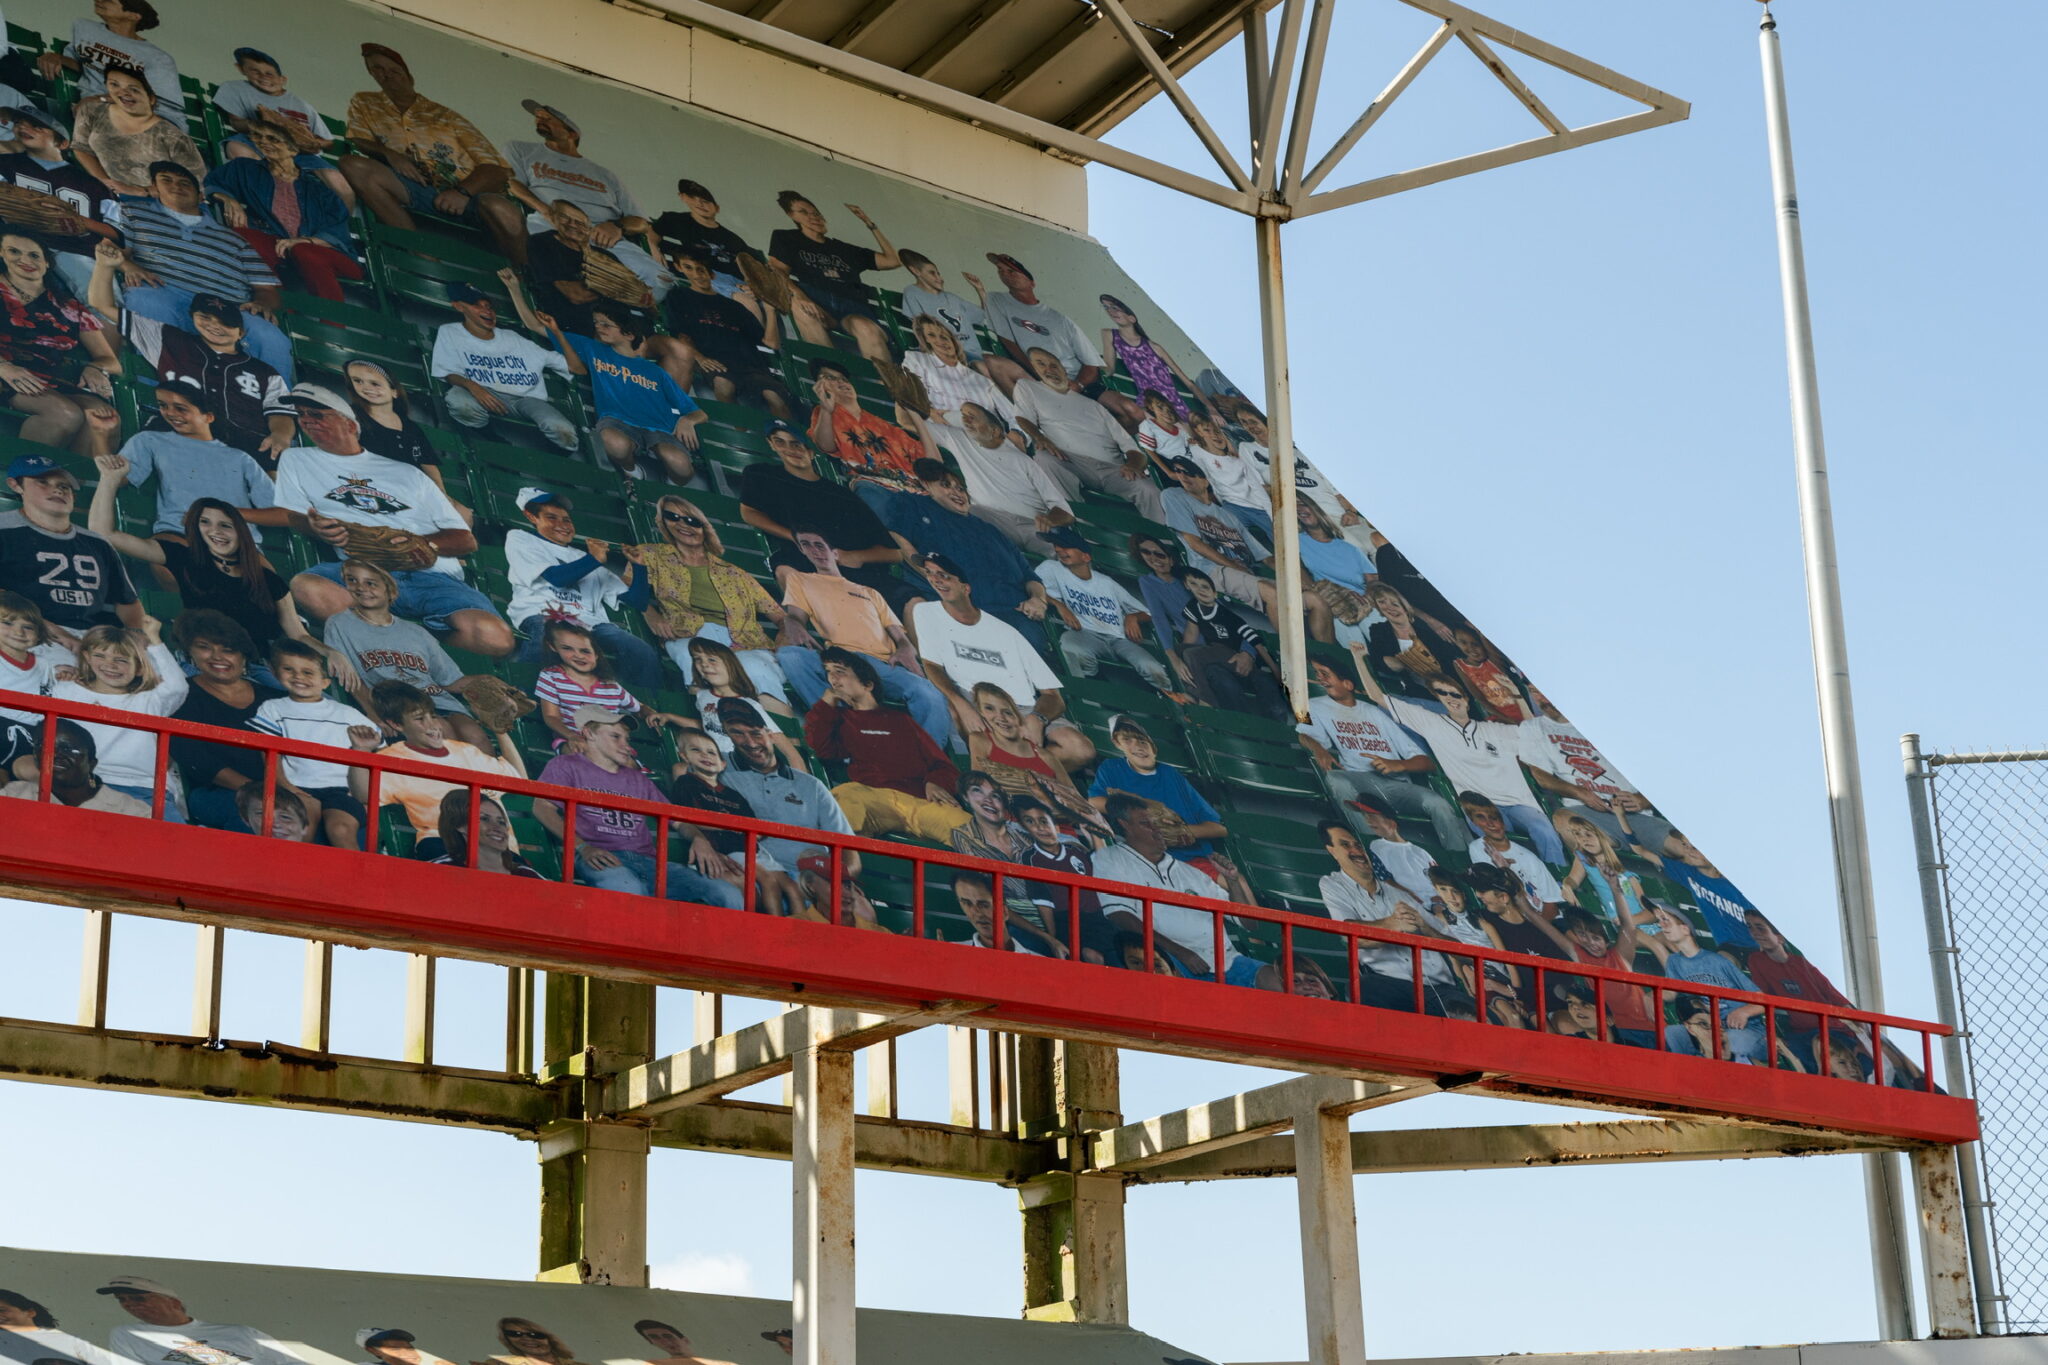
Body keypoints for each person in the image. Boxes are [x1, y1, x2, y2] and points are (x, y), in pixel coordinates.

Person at [276, 382, 514, 659]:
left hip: (432, 578)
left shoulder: (407, 473)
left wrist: (417, 545)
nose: (307, 420)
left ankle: (411, 646)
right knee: (307, 587)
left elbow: (465, 540)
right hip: (362, 572)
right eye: (301, 415)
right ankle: (391, 651)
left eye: (317, 415)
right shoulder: (297, 459)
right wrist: (316, 528)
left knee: (496, 638)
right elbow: (294, 515)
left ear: (350, 425)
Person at [86, 485, 334, 687]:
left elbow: (297, 633)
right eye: (205, 522)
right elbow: (104, 533)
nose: (216, 531)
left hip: (254, 669)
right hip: (203, 664)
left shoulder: (268, 580)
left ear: (240, 532)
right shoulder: (184, 558)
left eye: (225, 525)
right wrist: (110, 478)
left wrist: (330, 652)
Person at [1353, 655, 1566, 866]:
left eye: (1455, 694)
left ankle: (1560, 878)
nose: (1450, 698)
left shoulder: (1494, 730)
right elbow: (1377, 697)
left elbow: (1534, 733)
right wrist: (1359, 657)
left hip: (1517, 801)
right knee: (1501, 843)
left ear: (1466, 699)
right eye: (1442, 693)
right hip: (1478, 805)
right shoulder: (1432, 723)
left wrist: (1518, 696)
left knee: (1544, 830)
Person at [532, 704, 744, 906]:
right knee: (627, 888)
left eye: (627, 738)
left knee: (727, 894)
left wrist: (699, 839)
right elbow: (542, 807)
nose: (626, 745)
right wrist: (583, 847)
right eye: (615, 737)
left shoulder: (638, 779)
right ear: (589, 734)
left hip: (648, 863)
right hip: (601, 857)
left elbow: (678, 821)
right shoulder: (566, 765)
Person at [104, 161, 297, 381]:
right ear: (154, 189)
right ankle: (156, 391)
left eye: (184, 183)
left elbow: (266, 289)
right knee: (145, 300)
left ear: (200, 196)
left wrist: (262, 304)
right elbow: (109, 247)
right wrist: (128, 265)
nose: (176, 186)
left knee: (269, 336)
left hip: (228, 307)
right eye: (166, 180)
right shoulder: (132, 212)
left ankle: (280, 401)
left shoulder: (235, 240)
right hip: (166, 293)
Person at [339, 43, 525, 263]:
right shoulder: (365, 102)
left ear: (409, 77)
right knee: (353, 165)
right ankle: (421, 254)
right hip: (417, 190)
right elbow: (357, 138)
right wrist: (391, 155)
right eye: (377, 69)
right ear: (371, 73)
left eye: (394, 70)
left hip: (468, 199)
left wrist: (462, 192)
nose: (386, 75)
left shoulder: (445, 116)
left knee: (502, 209)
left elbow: (496, 169)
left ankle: (522, 275)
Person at [909, 551, 1091, 769]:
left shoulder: (1006, 632)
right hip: (975, 702)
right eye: (930, 573)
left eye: (944, 575)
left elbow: (1053, 696)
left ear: (966, 588)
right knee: (974, 730)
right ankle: (1022, 776)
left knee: (1080, 749)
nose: (935, 579)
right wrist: (961, 705)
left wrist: (1036, 719)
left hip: (1022, 708)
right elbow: (931, 665)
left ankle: (1021, 777)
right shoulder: (926, 612)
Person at [777, 527, 953, 748]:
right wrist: (792, 624)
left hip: (882, 665)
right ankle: (843, 732)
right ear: (802, 551)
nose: (815, 551)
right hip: (842, 659)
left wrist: (905, 648)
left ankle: (928, 757)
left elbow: (901, 638)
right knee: (791, 655)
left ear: (835, 553)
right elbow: (795, 617)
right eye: (806, 545)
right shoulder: (801, 580)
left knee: (929, 694)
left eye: (819, 545)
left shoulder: (870, 593)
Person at [96, 281, 294, 469]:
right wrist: (105, 265)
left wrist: (281, 434)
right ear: (192, 318)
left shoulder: (264, 371)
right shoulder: (170, 339)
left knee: (273, 458)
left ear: (241, 332)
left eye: (225, 323)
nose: (215, 326)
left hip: (243, 442)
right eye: (205, 318)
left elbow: (280, 411)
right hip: (180, 431)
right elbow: (102, 305)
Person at [623, 491, 800, 699]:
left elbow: (781, 617)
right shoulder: (651, 554)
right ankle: (713, 712)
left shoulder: (735, 573)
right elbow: (627, 584)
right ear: (663, 521)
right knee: (697, 661)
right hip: (690, 634)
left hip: (744, 640)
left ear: (704, 528)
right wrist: (650, 614)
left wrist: (782, 641)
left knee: (756, 669)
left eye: (692, 521)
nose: (683, 524)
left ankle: (775, 717)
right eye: (672, 517)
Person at [516, 293, 703, 482]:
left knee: (681, 468)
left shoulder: (655, 371)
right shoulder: (594, 349)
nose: (598, 327)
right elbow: (535, 326)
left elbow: (697, 412)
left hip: (658, 428)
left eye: (606, 324)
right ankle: (632, 472)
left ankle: (668, 479)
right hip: (617, 421)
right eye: (596, 323)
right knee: (614, 443)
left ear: (629, 335)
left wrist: (687, 421)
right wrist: (514, 287)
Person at [801, 646, 969, 844]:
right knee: (842, 798)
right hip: (873, 798)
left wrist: (935, 783)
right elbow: (820, 746)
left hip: (918, 800)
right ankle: (854, 861)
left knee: (967, 826)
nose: (832, 678)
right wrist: (826, 702)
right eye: (828, 672)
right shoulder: (839, 719)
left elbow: (941, 764)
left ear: (867, 684)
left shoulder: (901, 720)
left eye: (840, 671)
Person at [1297, 655, 1466, 851]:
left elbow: (1427, 762)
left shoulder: (1374, 712)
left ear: (1347, 684)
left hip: (1396, 784)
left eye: (1325, 674)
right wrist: (1318, 748)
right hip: (1360, 780)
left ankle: (1459, 858)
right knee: (1336, 779)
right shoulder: (1314, 705)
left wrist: (1398, 765)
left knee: (1438, 803)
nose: (1320, 678)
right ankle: (1371, 848)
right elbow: (1303, 734)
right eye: (1317, 674)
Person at [740, 419, 911, 612]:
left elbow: (895, 553)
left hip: (854, 569)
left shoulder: (840, 494)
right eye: (780, 442)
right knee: (787, 571)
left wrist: (853, 556)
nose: (789, 449)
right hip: (806, 561)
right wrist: (794, 537)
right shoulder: (762, 474)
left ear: (811, 452)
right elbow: (749, 513)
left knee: (912, 601)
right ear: (771, 444)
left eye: (796, 444)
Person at [1094, 795, 1267, 986]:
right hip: (1169, 960)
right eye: (1146, 824)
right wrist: (1180, 952)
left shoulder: (1191, 873)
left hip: (1227, 961)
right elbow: (1119, 915)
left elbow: (1249, 923)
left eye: (1158, 824)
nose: (1157, 829)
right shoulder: (1110, 858)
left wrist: (1232, 881)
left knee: (1280, 981)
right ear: (1125, 825)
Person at [323, 564, 498, 749]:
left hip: (437, 699)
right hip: (399, 704)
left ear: (390, 590)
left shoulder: (416, 632)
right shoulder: (340, 623)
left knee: (476, 735)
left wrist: (488, 682)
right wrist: (372, 711)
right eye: (352, 581)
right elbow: (351, 677)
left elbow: (448, 680)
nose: (361, 588)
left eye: (371, 583)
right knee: (443, 731)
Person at [504, 485, 660, 691]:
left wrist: (639, 566)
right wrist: (594, 559)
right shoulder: (520, 538)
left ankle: (640, 704)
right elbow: (556, 578)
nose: (562, 525)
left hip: (589, 623)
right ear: (531, 517)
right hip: (543, 613)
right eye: (551, 518)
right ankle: (522, 696)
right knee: (545, 636)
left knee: (641, 650)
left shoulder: (582, 556)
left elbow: (637, 602)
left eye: (566, 520)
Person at [503, 100, 665, 294]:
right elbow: (512, 183)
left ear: (572, 133)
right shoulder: (521, 149)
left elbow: (641, 222)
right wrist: (547, 211)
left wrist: (617, 226)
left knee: (659, 279)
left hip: (602, 235)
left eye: (548, 118)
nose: (539, 120)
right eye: (538, 117)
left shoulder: (605, 175)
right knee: (558, 265)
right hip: (551, 225)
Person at [1318, 820, 1475, 1017]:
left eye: (1358, 845)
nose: (1356, 850)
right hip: (1388, 986)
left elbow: (1464, 953)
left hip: (1440, 989)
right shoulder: (1332, 884)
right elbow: (1351, 935)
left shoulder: (1399, 894)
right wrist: (1394, 924)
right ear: (1332, 851)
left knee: (1477, 1017)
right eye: (1345, 844)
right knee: (1363, 988)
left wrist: (1425, 928)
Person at [348, 681, 525, 856]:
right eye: (419, 719)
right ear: (396, 725)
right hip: (447, 849)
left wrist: (500, 732)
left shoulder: (466, 751)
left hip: (503, 856)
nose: (433, 725)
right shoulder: (394, 759)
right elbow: (363, 795)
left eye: (433, 716)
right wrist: (361, 750)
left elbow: (519, 781)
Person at [1086, 716, 1251, 899]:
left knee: (1239, 883)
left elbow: (1219, 828)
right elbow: (1093, 802)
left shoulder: (1170, 774)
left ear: (1154, 748)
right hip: (1146, 860)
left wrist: (1181, 832)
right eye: (1127, 739)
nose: (1138, 746)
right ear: (1117, 743)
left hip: (1189, 859)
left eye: (1142, 740)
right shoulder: (1112, 768)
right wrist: (1141, 808)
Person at [202, 119, 365, 302]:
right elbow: (211, 183)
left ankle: (331, 316)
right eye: (258, 137)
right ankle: (278, 306)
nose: (263, 142)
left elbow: (337, 231)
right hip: (278, 244)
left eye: (273, 139)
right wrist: (227, 199)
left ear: (293, 150)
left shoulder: (319, 191)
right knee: (243, 237)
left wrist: (302, 241)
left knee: (303, 251)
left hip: (322, 251)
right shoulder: (246, 168)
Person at [878, 459, 1044, 637]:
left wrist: (1038, 600)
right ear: (926, 485)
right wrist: (928, 574)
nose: (956, 492)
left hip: (1016, 616)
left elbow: (1030, 577)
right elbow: (897, 537)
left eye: (960, 488)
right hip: (964, 613)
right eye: (945, 485)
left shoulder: (990, 530)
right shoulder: (914, 504)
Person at [98, 380, 281, 540]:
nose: (170, 413)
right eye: (163, 405)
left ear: (208, 416)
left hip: (237, 540)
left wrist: (226, 513)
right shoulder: (149, 440)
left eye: (181, 408)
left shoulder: (240, 458)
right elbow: (119, 477)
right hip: (179, 533)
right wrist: (104, 441)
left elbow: (283, 514)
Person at [50, 615, 186, 815]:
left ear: (139, 668)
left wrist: (155, 641)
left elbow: (178, 687)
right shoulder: (67, 691)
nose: (110, 665)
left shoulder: (149, 700)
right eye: (100, 656)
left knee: (172, 835)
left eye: (121, 660)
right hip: (87, 783)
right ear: (87, 657)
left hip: (146, 787)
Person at [0, 228, 120, 455]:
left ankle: (70, 477)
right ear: (2, 254)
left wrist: (96, 368)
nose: (25, 260)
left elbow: (110, 360)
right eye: (14, 251)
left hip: (46, 381)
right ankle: (23, 475)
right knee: (64, 414)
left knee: (102, 416)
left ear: (47, 263)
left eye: (34, 255)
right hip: (5, 373)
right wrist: (3, 366)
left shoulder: (69, 307)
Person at [1008, 346, 1163, 520]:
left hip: (1112, 469)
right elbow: (1023, 418)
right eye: (1041, 364)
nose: (1049, 370)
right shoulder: (1028, 387)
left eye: (1054, 365)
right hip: (1071, 462)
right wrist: (1040, 437)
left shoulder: (1094, 405)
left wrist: (1133, 465)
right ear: (1034, 368)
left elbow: (1134, 450)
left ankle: (1164, 536)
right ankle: (1076, 519)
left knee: (1148, 489)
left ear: (1064, 370)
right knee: (1044, 458)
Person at [0, 452, 138, 646]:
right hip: (26, 635)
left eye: (64, 486)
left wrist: (137, 635)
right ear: (15, 485)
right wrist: (54, 632)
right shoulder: (4, 530)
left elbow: (128, 602)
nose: (57, 490)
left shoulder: (97, 542)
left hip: (94, 641)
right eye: (42, 482)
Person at [718, 699, 857, 883]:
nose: (751, 743)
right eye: (738, 733)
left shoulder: (811, 785)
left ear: (770, 735)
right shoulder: (718, 768)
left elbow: (849, 851)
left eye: (756, 733)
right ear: (726, 734)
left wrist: (838, 881)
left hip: (812, 880)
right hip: (757, 877)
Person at [253, 638, 374, 848]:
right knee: (302, 827)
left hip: (342, 790)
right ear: (274, 672)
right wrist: (286, 786)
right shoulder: (272, 708)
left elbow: (376, 750)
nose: (298, 677)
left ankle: (354, 871)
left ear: (325, 682)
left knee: (341, 829)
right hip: (298, 787)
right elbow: (269, 753)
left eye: (308, 672)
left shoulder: (347, 713)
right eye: (288, 669)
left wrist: (362, 793)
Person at [1520, 688, 1672, 856]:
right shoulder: (1533, 727)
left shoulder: (1612, 724)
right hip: (1586, 814)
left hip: (1637, 814)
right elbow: (1541, 776)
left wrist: (1643, 799)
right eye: (1534, 691)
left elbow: (1660, 773)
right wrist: (1580, 793)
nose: (1543, 698)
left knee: (1683, 850)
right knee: (1565, 822)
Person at [429, 282, 576, 453]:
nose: (487, 311)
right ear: (458, 306)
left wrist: (558, 334)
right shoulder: (450, 331)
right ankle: (491, 438)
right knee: (459, 401)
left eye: (489, 306)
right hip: (484, 392)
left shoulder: (512, 337)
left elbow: (569, 365)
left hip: (525, 400)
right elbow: (448, 372)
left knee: (564, 432)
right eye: (476, 305)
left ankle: (554, 460)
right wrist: (473, 386)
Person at [165, 609, 279, 831]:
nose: (217, 657)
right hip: (216, 793)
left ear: (244, 656)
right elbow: (194, 757)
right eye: (204, 647)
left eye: (228, 650)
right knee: (256, 815)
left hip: (279, 791)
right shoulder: (182, 696)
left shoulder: (273, 698)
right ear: (190, 652)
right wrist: (259, 792)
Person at [668, 728, 802, 915]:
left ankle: (798, 929)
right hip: (729, 849)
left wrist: (755, 833)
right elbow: (687, 817)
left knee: (792, 888)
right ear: (684, 756)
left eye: (711, 752)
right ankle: (774, 927)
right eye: (696, 750)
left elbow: (753, 824)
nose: (705, 755)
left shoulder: (734, 794)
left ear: (722, 764)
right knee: (768, 881)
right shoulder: (686, 783)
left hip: (754, 849)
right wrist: (729, 825)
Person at [0, 104, 124, 299]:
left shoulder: (93, 184)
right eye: (18, 123)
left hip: (76, 250)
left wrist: (79, 221)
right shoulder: (6, 164)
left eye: (37, 126)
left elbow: (118, 232)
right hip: (21, 242)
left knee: (102, 298)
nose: (24, 127)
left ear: (63, 143)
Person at [1033, 527, 1176, 694]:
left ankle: (1171, 701)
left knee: (1153, 668)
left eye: (1066, 546)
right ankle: (1094, 693)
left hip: (1118, 640)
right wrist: (1060, 605)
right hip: (1084, 634)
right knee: (1072, 649)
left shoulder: (1106, 582)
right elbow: (1033, 587)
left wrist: (1132, 617)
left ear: (1086, 556)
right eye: (1057, 546)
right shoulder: (1052, 568)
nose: (1059, 549)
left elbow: (1148, 613)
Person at [920, 401, 1076, 554]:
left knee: (1063, 554)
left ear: (994, 431)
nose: (966, 420)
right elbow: (912, 424)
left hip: (1030, 526)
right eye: (963, 415)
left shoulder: (1023, 461)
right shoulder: (957, 438)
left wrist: (1050, 519)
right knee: (967, 513)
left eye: (972, 417)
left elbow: (1065, 512)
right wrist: (922, 408)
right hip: (990, 522)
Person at [1159, 457, 1295, 628]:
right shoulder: (1174, 495)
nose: (1183, 476)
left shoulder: (1229, 516)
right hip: (1212, 571)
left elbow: (1266, 557)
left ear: (1206, 480)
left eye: (1190, 473)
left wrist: (1298, 579)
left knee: (1311, 599)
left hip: (1244, 574)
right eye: (1178, 472)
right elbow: (1195, 544)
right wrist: (1234, 566)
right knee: (1273, 594)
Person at [766, 192, 899, 364]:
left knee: (866, 328)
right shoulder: (787, 238)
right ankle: (832, 371)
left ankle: (885, 379)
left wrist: (870, 224)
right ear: (792, 215)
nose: (813, 217)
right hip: (817, 302)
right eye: (803, 212)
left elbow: (892, 260)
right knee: (799, 306)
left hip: (851, 306)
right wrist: (800, 295)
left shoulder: (843, 249)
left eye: (816, 213)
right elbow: (777, 270)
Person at [211, 46, 352, 205]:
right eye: (255, 71)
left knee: (338, 181)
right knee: (237, 147)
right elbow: (236, 122)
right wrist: (263, 124)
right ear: (241, 69)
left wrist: (312, 143)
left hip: (300, 153)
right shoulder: (235, 88)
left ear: (282, 79)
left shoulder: (301, 104)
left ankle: (342, 220)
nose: (263, 77)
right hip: (260, 143)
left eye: (269, 73)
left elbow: (328, 142)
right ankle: (268, 205)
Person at [1634, 901, 1770, 1063]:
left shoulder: (1717, 961)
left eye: (1666, 920)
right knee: (1673, 1033)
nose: (1661, 925)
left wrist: (1744, 1012)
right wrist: (1651, 996)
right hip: (1709, 1030)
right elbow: (1672, 991)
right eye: (1659, 921)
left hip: (1745, 1030)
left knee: (1727, 1040)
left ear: (1685, 929)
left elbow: (1762, 1000)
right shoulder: (1674, 962)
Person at [964, 682, 1105, 836]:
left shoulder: (1044, 755)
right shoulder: (980, 740)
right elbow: (977, 788)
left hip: (1057, 831)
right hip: (1011, 829)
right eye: (989, 708)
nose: (1000, 717)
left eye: (1007, 712)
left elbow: (1077, 803)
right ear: (980, 712)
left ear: (1018, 717)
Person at [663, 248, 790, 418]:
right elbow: (681, 334)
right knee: (723, 384)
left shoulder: (735, 306)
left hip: (749, 365)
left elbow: (771, 344)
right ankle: (739, 431)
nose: (697, 274)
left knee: (775, 397)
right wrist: (700, 358)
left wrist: (770, 311)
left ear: (711, 274)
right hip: (714, 361)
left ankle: (788, 432)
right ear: (679, 268)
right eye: (688, 268)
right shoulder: (679, 296)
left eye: (701, 269)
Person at [534, 618, 684, 750]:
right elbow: (551, 716)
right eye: (567, 648)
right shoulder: (551, 676)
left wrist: (650, 714)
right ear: (553, 647)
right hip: (573, 742)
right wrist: (572, 736)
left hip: (609, 746)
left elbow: (639, 708)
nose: (578, 656)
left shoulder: (610, 686)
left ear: (596, 655)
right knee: (577, 751)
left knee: (627, 762)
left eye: (585, 651)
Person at [96, 1274, 309, 1365]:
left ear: (173, 1302)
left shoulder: (242, 1333)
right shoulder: (126, 1334)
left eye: (139, 1298)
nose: (129, 1304)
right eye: (122, 1300)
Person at [521, 198, 657, 336]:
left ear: (588, 229)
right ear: (553, 218)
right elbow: (576, 295)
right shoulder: (542, 242)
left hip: (621, 329)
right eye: (564, 217)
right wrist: (619, 288)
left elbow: (644, 302)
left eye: (580, 223)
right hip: (580, 327)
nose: (572, 225)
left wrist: (644, 299)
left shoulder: (603, 255)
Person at [40, 0, 184, 125]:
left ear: (133, 16)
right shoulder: (88, 31)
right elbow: (85, 66)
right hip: (96, 114)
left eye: (109, 0)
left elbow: (160, 103)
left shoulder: (157, 57)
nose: (99, 0)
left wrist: (102, 99)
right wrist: (57, 58)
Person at [343, 360, 463, 508]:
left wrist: (441, 493)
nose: (366, 388)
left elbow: (428, 463)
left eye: (375, 384)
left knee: (463, 512)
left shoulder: (410, 426)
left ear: (395, 391)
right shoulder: (353, 420)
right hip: (379, 492)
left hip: (415, 490)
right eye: (358, 381)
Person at [895, 250, 1023, 388]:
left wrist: (979, 289)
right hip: (951, 355)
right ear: (916, 271)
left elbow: (983, 315)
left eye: (938, 273)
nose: (939, 278)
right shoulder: (913, 292)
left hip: (974, 354)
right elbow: (920, 326)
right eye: (932, 273)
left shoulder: (952, 298)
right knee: (988, 371)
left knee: (1011, 371)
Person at [1009, 792, 1114, 960]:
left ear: (1055, 824)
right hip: (1067, 920)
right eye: (1030, 821)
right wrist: (1054, 939)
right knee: (1090, 955)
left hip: (1098, 917)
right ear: (1024, 827)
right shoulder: (1031, 857)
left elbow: (1101, 867)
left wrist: (1094, 833)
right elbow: (1043, 901)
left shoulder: (1076, 850)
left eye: (1044, 821)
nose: (1039, 827)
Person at [981, 253, 1102, 396]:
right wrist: (1039, 375)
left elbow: (1091, 363)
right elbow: (1007, 341)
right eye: (1000, 270)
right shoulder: (996, 299)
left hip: (1071, 382)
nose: (1005, 274)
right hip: (1034, 377)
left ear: (1031, 283)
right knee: (988, 362)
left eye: (1012, 271)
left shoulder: (1061, 320)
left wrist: (1078, 385)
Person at [1463, 861, 1575, 1015]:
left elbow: (1559, 987)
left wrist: (1511, 992)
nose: (1478, 895)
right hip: (1507, 999)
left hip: (1545, 1006)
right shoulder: (1483, 918)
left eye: (1482, 890)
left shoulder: (1536, 933)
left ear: (1504, 898)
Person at [1175, 565, 1286, 718]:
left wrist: (1275, 670)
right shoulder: (1193, 606)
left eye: (1205, 587)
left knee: (1191, 654)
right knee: (1182, 651)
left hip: (1231, 654)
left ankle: (1207, 701)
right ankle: (1194, 694)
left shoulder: (1227, 615)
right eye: (1194, 584)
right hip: (1217, 656)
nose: (1201, 590)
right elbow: (1190, 636)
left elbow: (1255, 641)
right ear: (1187, 585)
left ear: (1215, 593)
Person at [70, 67, 201, 197]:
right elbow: (81, 148)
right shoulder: (92, 111)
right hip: (104, 193)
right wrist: (108, 185)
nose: (123, 92)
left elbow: (195, 188)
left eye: (134, 89)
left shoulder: (172, 136)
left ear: (151, 99)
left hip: (152, 201)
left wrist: (141, 191)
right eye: (114, 85)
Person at [1741, 907, 1854, 1055]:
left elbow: (1833, 995)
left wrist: (1861, 1030)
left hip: (1831, 1030)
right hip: (1800, 1032)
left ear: (1780, 938)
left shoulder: (1802, 964)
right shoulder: (1757, 961)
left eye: (1761, 928)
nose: (1755, 933)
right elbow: (1762, 993)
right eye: (1750, 927)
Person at [803, 357, 924, 491]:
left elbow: (920, 454)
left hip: (909, 488)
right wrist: (826, 410)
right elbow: (826, 446)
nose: (841, 382)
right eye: (830, 378)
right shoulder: (824, 414)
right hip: (871, 486)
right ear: (819, 385)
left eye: (844, 379)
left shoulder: (880, 424)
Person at [1641, 824, 1760, 953]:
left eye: (1694, 847)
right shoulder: (1690, 873)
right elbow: (1640, 851)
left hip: (1757, 946)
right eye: (1685, 845)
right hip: (1728, 947)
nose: (1689, 851)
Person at [0, 717, 148, 815]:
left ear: (91, 763)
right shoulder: (14, 794)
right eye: (45, 747)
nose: (55, 755)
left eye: (67, 749)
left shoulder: (130, 809)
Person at [1557, 907, 1659, 1049]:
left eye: (1596, 938)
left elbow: (1627, 924)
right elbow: (1556, 933)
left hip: (1651, 1025)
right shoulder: (1582, 958)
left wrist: (1616, 891)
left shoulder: (1618, 956)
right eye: (1582, 935)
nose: (1591, 943)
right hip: (1622, 1029)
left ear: (1606, 941)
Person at [680, 636, 797, 760]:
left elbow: (787, 748)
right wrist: (670, 717)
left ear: (730, 667)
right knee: (680, 767)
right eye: (698, 659)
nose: (704, 664)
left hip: (743, 761)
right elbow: (705, 724)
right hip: (717, 759)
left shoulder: (748, 705)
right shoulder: (702, 696)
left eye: (712, 660)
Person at [650, 178, 762, 303]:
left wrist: (751, 287)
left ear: (717, 208)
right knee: (747, 301)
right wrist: (653, 247)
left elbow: (750, 267)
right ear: (683, 197)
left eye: (706, 201)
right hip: (706, 278)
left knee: (763, 302)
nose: (700, 204)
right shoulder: (677, 220)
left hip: (737, 283)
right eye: (693, 197)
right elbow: (650, 231)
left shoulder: (731, 238)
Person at [899, 313, 1015, 430]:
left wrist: (1017, 432)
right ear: (925, 340)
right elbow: (908, 394)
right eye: (932, 335)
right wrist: (930, 412)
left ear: (953, 340)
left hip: (991, 432)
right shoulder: (918, 360)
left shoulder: (981, 380)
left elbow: (1013, 415)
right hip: (949, 426)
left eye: (944, 336)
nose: (941, 341)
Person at [1461, 791, 1568, 916]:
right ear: (1473, 822)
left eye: (1494, 818)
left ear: (1503, 822)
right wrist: (1504, 870)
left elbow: (1551, 906)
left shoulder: (1528, 858)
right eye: (1481, 818)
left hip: (1545, 918)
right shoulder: (1477, 848)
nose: (1490, 824)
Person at [1098, 294, 1197, 427]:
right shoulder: (1109, 334)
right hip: (1149, 402)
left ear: (1132, 318)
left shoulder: (1154, 347)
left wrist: (1211, 409)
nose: (1110, 311)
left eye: (1115, 308)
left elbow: (1188, 383)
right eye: (1106, 308)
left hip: (1174, 404)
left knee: (1184, 430)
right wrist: (1092, 367)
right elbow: (1109, 369)